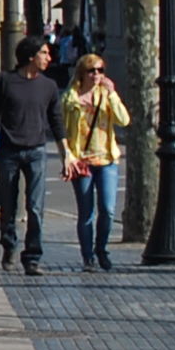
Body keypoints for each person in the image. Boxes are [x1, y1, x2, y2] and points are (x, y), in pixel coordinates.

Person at [0, 33, 65, 275]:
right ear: (30, 56)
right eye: (44, 53)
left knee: (36, 207)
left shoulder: (48, 86)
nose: (49, 57)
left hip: (36, 151)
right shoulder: (5, 81)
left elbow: (56, 121)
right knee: (8, 205)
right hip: (8, 151)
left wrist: (65, 153)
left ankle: (33, 257)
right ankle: (9, 247)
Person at [63, 52, 131, 272]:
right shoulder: (70, 98)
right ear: (82, 73)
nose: (97, 75)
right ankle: (88, 256)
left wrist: (112, 95)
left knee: (108, 209)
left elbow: (123, 120)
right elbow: (62, 129)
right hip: (81, 161)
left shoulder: (106, 94)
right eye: (92, 70)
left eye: (101, 70)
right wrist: (68, 156)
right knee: (86, 213)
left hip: (106, 159)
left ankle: (101, 248)